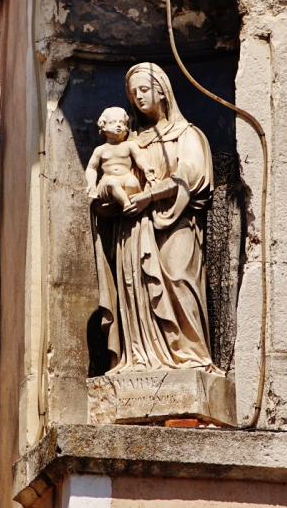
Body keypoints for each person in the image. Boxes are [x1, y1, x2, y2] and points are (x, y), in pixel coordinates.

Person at [91, 62, 222, 374]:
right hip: (133, 229)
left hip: (175, 225)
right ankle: (140, 357)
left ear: (163, 91)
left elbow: (189, 175)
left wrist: (150, 196)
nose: (138, 96)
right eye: (133, 92)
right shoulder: (129, 142)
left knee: (179, 280)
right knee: (135, 290)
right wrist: (108, 201)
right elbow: (113, 181)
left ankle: (190, 358)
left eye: (145, 89)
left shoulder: (187, 135)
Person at [86, 106, 156, 211]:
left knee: (132, 183)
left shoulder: (129, 145)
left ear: (126, 127)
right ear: (103, 127)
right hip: (108, 181)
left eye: (122, 123)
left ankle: (126, 206)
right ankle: (126, 204)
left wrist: (146, 167)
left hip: (126, 176)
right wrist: (91, 184)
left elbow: (139, 157)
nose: (118, 125)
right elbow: (91, 168)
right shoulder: (100, 150)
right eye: (112, 122)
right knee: (113, 183)